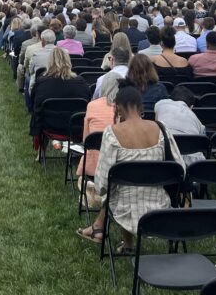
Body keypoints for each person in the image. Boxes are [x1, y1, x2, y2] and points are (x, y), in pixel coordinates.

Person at [77, 83, 185, 251]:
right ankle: (120, 240)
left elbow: (102, 181)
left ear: (117, 109)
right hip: (159, 204)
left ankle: (122, 240)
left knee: (116, 189)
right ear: (141, 106)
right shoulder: (160, 128)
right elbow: (180, 168)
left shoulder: (112, 133)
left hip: (124, 208)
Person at [29, 47, 90, 153]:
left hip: (50, 126)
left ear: (49, 62)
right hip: (76, 127)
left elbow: (35, 106)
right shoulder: (81, 83)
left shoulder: (42, 83)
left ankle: (41, 152)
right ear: (68, 61)